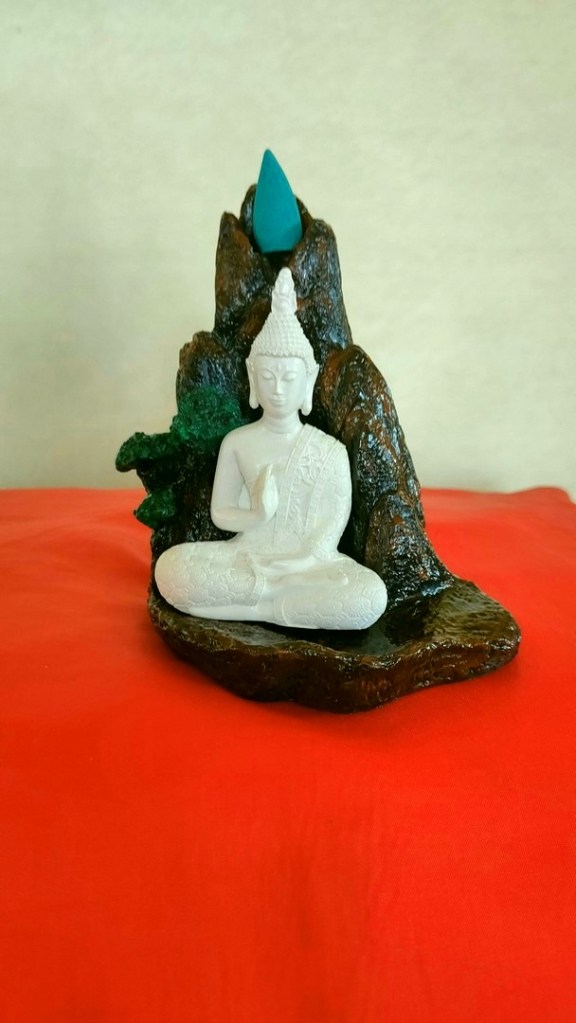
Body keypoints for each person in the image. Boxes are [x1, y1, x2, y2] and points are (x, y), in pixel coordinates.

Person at [154, 269, 387, 630]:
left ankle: (256, 605)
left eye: (289, 378)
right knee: (171, 568)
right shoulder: (238, 442)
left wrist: (297, 563)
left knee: (369, 595)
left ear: (308, 380)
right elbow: (221, 514)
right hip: (245, 559)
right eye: (267, 377)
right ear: (252, 377)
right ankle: (279, 606)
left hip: (307, 569)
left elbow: (331, 528)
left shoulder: (330, 451)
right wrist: (257, 515)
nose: (277, 389)